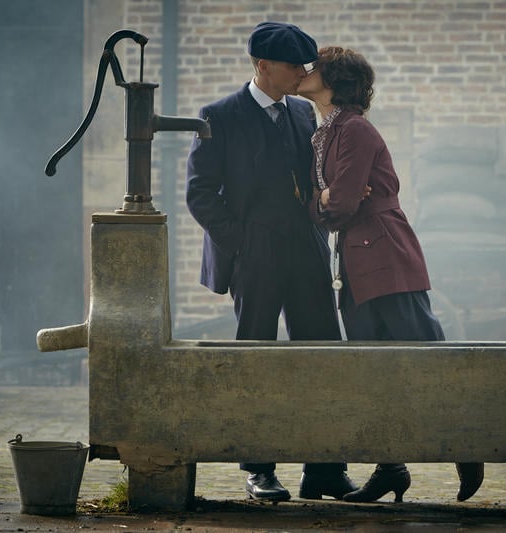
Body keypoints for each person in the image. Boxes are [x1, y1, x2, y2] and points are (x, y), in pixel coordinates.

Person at [296, 46, 485, 503]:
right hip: (356, 263)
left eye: (314, 66)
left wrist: (325, 200)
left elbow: (337, 205)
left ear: (334, 78)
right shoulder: (325, 132)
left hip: (388, 258)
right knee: (374, 370)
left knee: (425, 356)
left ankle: (468, 447)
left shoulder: (355, 130)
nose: (304, 72)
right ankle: (391, 468)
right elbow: (332, 201)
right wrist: (326, 199)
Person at [185, 22, 356, 502]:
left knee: (321, 353)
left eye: (306, 64)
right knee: (254, 355)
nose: (303, 72)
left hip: (305, 247)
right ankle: (259, 468)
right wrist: (239, 244)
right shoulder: (219, 114)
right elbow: (199, 192)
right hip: (252, 252)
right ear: (262, 66)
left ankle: (324, 468)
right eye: (292, 65)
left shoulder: (304, 112)